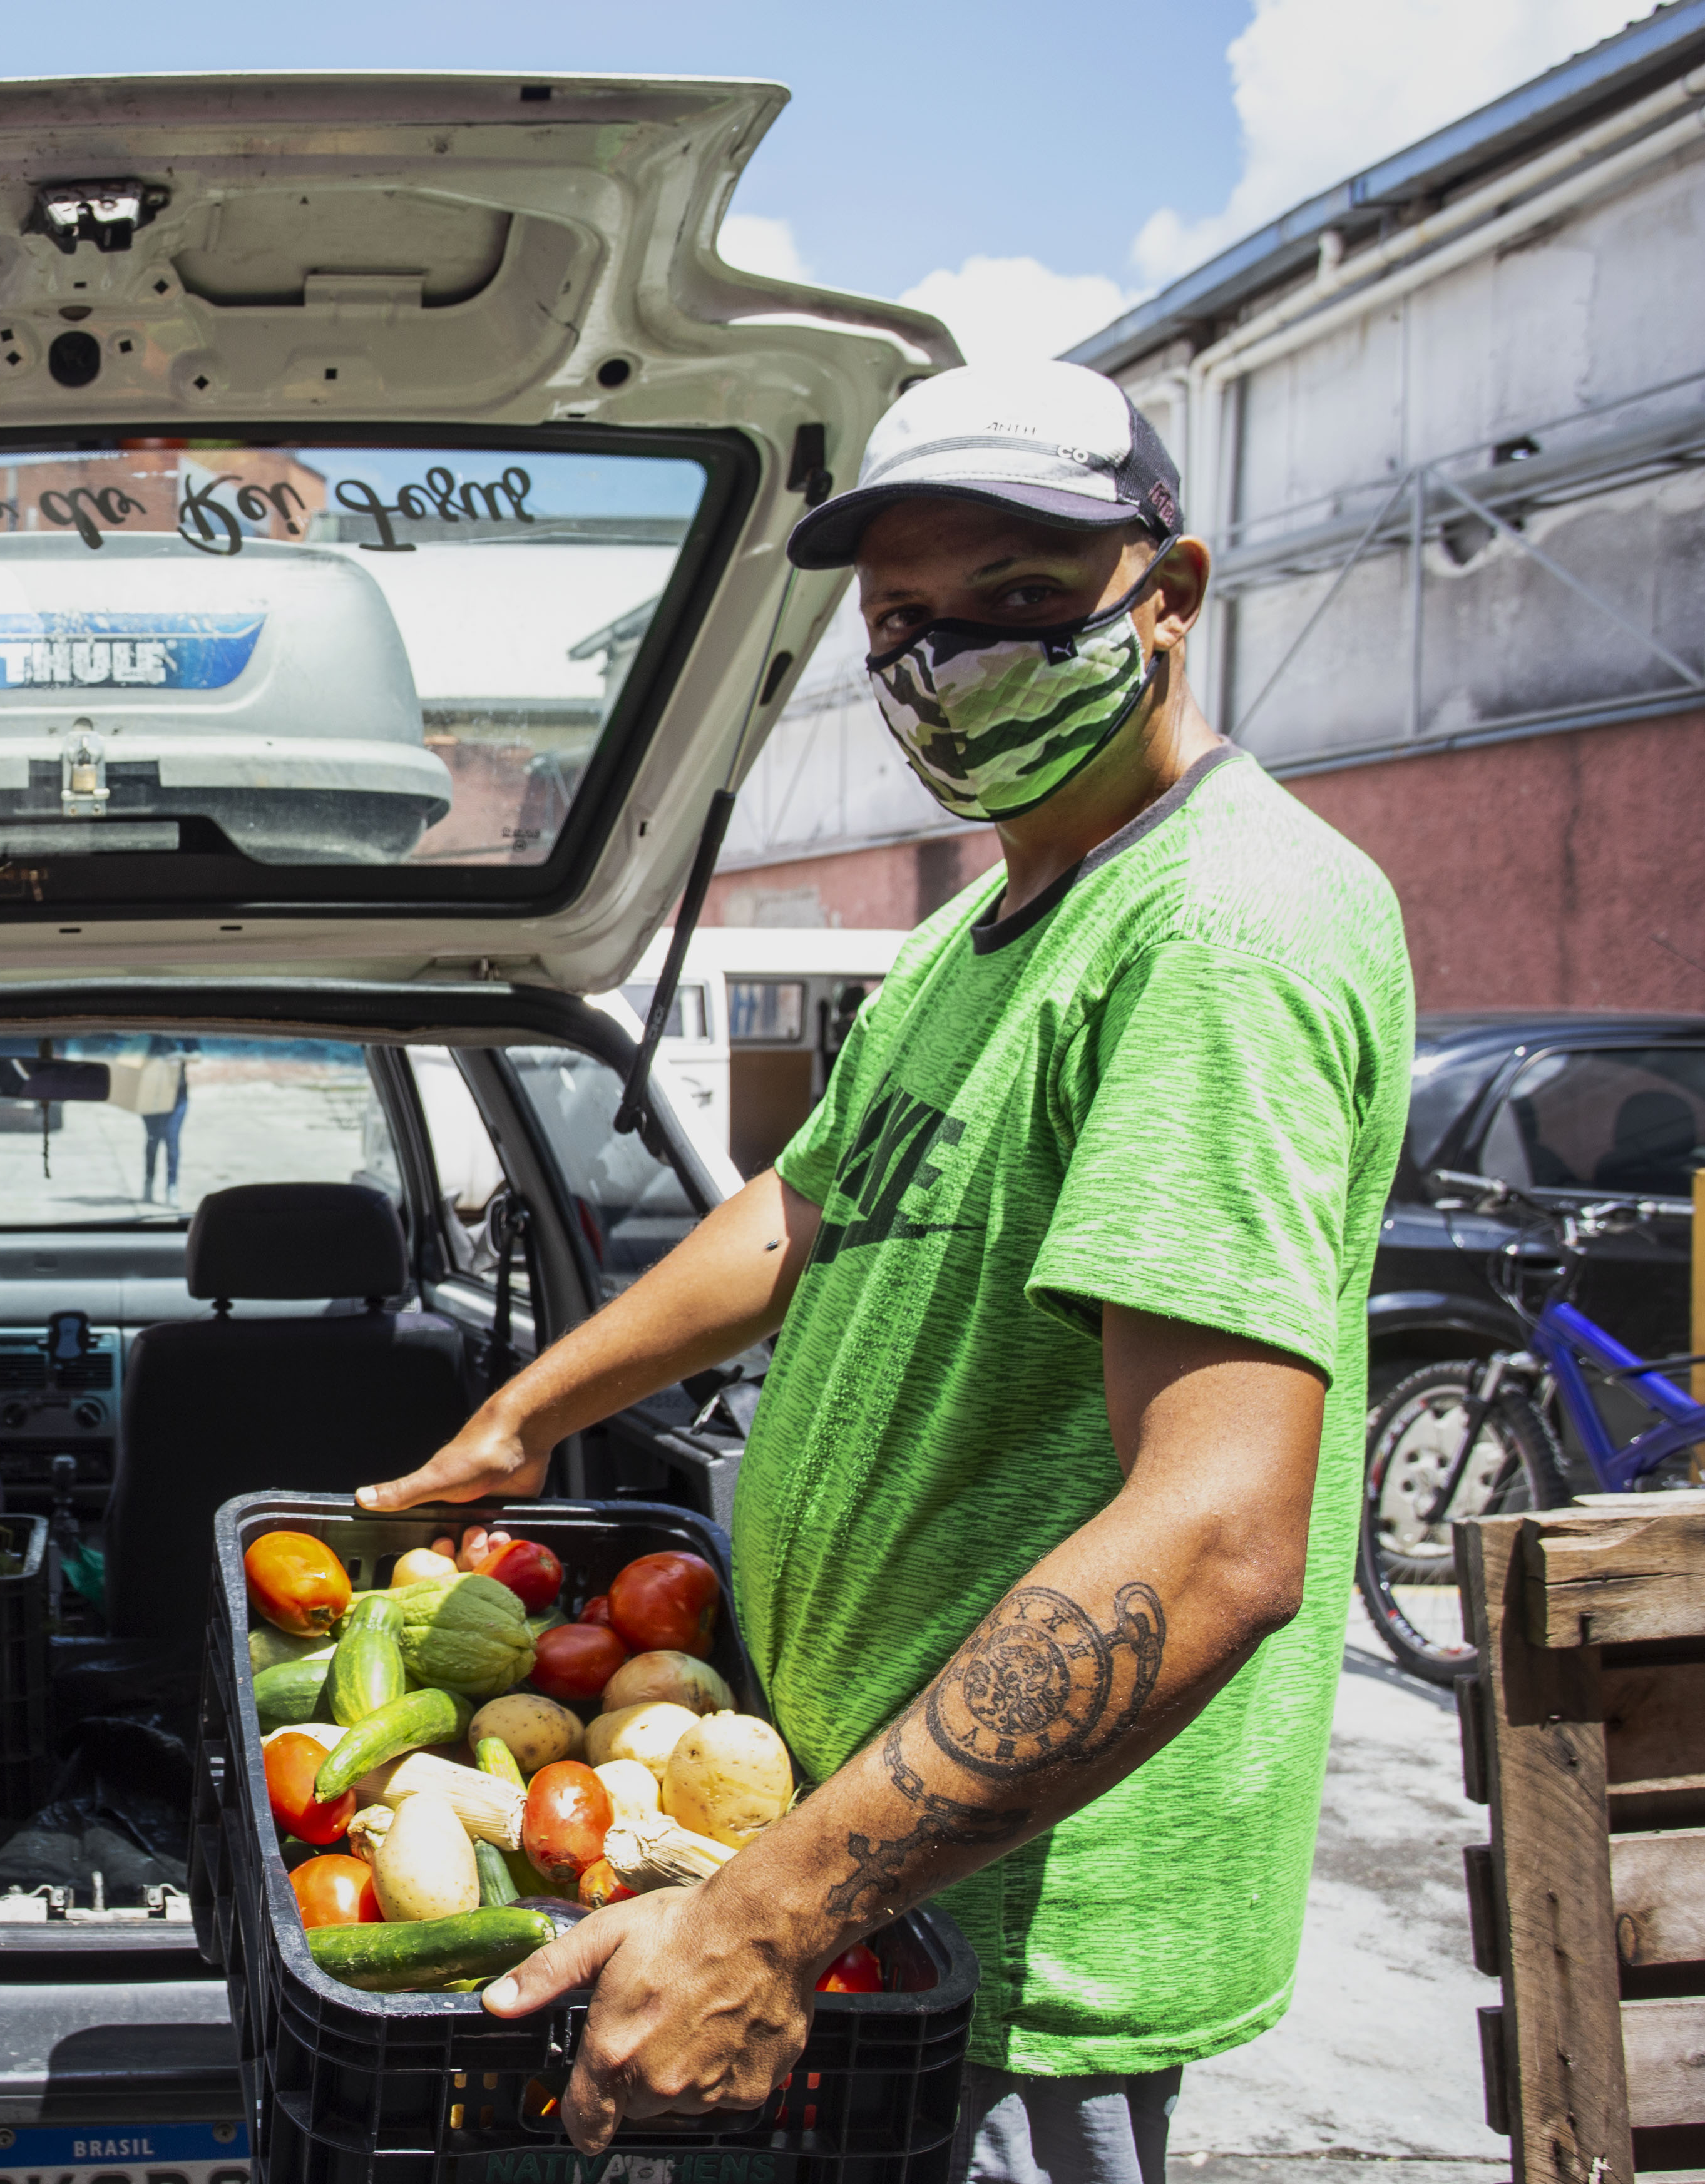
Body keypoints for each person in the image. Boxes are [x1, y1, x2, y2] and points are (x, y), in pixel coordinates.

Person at [359, 359, 1413, 2183]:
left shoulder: (1215, 936)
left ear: (1167, 593)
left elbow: (1219, 1531)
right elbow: (793, 1210)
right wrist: (521, 1413)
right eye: (905, 621)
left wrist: (766, 1916)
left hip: (1006, 1933)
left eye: (1016, 599)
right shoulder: (976, 936)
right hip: (861, 1847)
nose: (949, 663)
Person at [139, 1033, 196, 1202]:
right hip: (151, 1095)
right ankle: (148, 1184)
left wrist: (179, 1056)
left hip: (176, 1097)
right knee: (152, 1140)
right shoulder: (148, 1034)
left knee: (172, 1141)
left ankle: (172, 1188)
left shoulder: (184, 1031)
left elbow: (197, 1056)